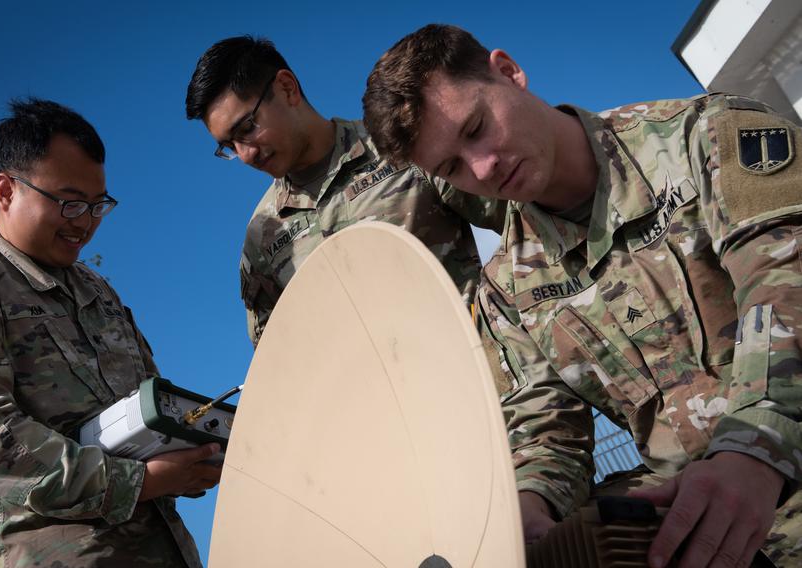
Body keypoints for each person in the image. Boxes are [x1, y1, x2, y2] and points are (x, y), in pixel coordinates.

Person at [363, 24, 802, 568]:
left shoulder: (703, 138)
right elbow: (547, 433)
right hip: (696, 529)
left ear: (508, 72)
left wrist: (752, 448)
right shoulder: (509, 291)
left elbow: (784, 284)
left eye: (476, 128)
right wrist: (526, 512)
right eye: (451, 167)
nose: (482, 167)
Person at [0, 99, 221, 567]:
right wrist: (141, 482)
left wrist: (194, 456)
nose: (85, 222)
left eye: (97, 205)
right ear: (6, 191)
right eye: (68, 202)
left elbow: (150, 405)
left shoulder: (96, 290)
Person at [185, 36, 505, 346]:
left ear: (287, 88)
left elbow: (518, 217)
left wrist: (499, 324)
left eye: (247, 128)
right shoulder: (261, 237)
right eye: (229, 146)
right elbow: (281, 361)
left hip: (475, 378)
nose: (245, 154)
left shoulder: (399, 148)